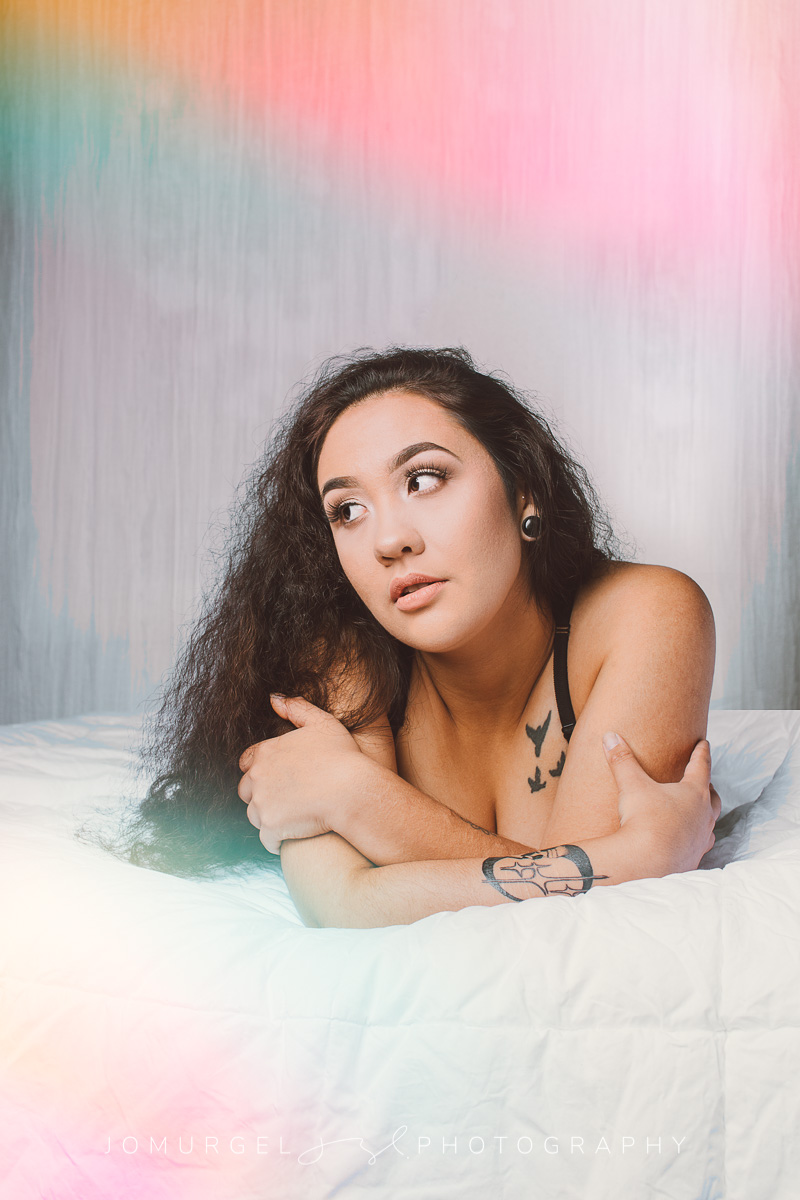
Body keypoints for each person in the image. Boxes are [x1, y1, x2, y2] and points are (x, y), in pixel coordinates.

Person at [106, 346, 719, 926]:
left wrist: (358, 795)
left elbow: (580, 920)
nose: (387, 540)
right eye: (348, 510)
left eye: (423, 479)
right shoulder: (339, 658)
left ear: (523, 490)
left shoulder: (648, 614)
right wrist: (635, 860)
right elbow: (344, 907)